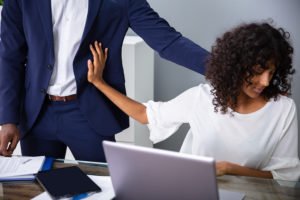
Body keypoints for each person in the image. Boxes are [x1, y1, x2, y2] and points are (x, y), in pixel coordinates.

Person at [87, 22, 300, 180]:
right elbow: (145, 114)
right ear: (237, 66)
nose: (265, 81)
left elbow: (286, 176)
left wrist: (228, 168)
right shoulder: (203, 97)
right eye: (258, 72)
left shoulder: (282, 109)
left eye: (271, 72)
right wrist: (99, 83)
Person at [0, 0, 209, 161]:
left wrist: (223, 69)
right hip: (37, 113)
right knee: (37, 190)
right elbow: (9, 56)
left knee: (105, 189)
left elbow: (168, 41)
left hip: (88, 112)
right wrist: (8, 118)